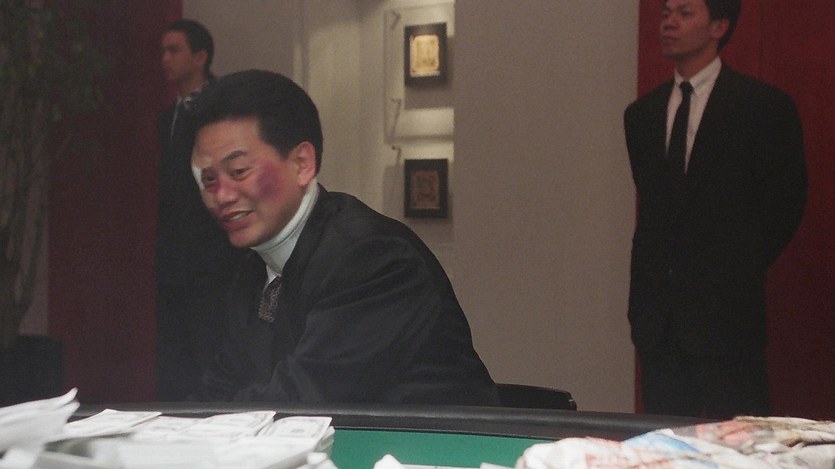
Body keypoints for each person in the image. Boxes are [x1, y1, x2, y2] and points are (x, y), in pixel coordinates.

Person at [187, 69, 499, 405]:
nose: (222, 196)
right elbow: (215, 393)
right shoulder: (250, 271)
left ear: (302, 163)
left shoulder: (372, 257)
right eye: (209, 180)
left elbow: (304, 400)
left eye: (238, 172)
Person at [623, 0, 807, 418]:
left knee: (736, 435)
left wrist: (735, 266)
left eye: (685, 13)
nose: (669, 23)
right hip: (658, 321)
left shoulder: (761, 107)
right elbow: (656, 213)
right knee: (665, 438)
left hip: (728, 317)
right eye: (666, 13)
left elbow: (785, 205)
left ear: (719, 26)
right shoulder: (642, 115)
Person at [155, 19, 242, 401]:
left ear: (200, 56)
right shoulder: (167, 118)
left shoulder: (222, 110)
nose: (165, 59)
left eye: (174, 50)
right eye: (163, 51)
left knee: (211, 349)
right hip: (173, 256)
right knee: (175, 356)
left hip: (213, 255)